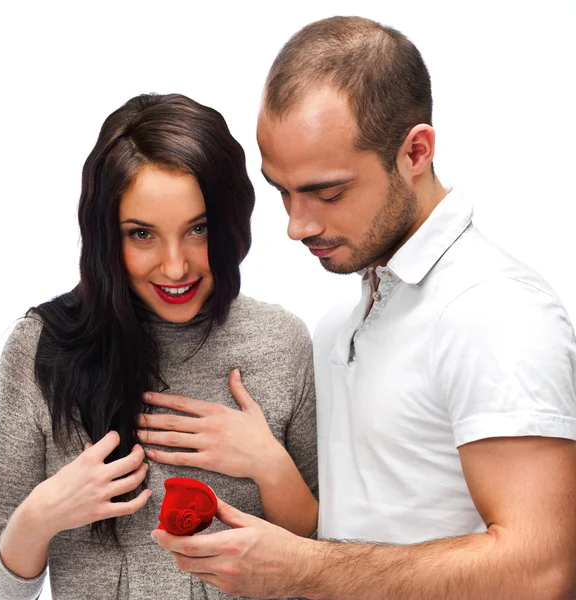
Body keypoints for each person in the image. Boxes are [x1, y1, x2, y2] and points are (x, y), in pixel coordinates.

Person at [151, 16, 576, 599]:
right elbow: (369, 541)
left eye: (328, 193)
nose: (297, 225)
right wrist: (269, 471)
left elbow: (541, 570)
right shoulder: (339, 328)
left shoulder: (494, 311)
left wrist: (301, 568)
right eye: (282, 190)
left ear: (416, 153)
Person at [0, 93, 318, 600]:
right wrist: (44, 511)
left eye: (198, 229)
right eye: (142, 234)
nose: (176, 266)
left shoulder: (281, 341)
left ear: (230, 224)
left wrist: (268, 464)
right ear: (105, 238)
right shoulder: (39, 349)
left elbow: (324, 558)